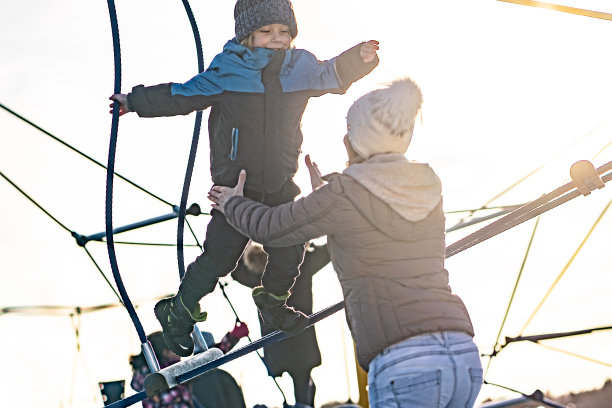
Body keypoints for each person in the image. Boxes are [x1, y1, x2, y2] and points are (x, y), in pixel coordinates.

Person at [109, 0, 379, 358]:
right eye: (266, 32)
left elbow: (332, 73)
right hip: (235, 187)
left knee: (292, 243)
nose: (276, 39)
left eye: (284, 32)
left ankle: (273, 299)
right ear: (247, 35)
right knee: (221, 257)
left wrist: (359, 59)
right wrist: (137, 100)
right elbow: (183, 95)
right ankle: (179, 310)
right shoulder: (229, 70)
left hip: (281, 179)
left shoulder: (300, 68)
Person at [208, 78, 483, 407]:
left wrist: (232, 203)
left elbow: (272, 229)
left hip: (406, 360)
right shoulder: (427, 182)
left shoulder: (343, 196)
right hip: (462, 353)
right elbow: (375, 220)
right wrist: (326, 195)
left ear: (353, 141)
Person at [232, 241, 330, 407]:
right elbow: (327, 251)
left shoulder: (255, 272)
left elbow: (235, 269)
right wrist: (303, 239)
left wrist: (247, 239)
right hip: (300, 336)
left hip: (275, 341)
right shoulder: (302, 263)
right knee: (304, 387)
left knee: (298, 387)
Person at [130, 328, 249, 408]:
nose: (179, 351)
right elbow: (207, 361)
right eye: (175, 348)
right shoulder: (174, 373)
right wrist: (233, 337)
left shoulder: (143, 380)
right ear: (166, 353)